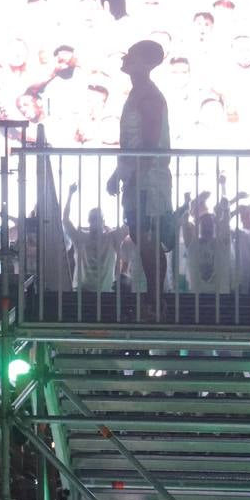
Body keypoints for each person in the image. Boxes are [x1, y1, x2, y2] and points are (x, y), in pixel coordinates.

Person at [106, 39, 172, 317]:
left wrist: (134, 175)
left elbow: (148, 141)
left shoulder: (149, 96)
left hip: (148, 179)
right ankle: (155, 298)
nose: (125, 59)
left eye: (130, 56)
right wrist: (120, 173)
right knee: (141, 235)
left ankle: (156, 299)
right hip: (139, 177)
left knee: (147, 236)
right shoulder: (141, 94)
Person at [62, 184, 125, 292]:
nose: (94, 222)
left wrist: (70, 194)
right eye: (92, 219)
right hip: (90, 294)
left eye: (97, 219)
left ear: (103, 221)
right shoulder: (111, 238)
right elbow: (65, 220)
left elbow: (66, 220)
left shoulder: (82, 237)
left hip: (90, 294)